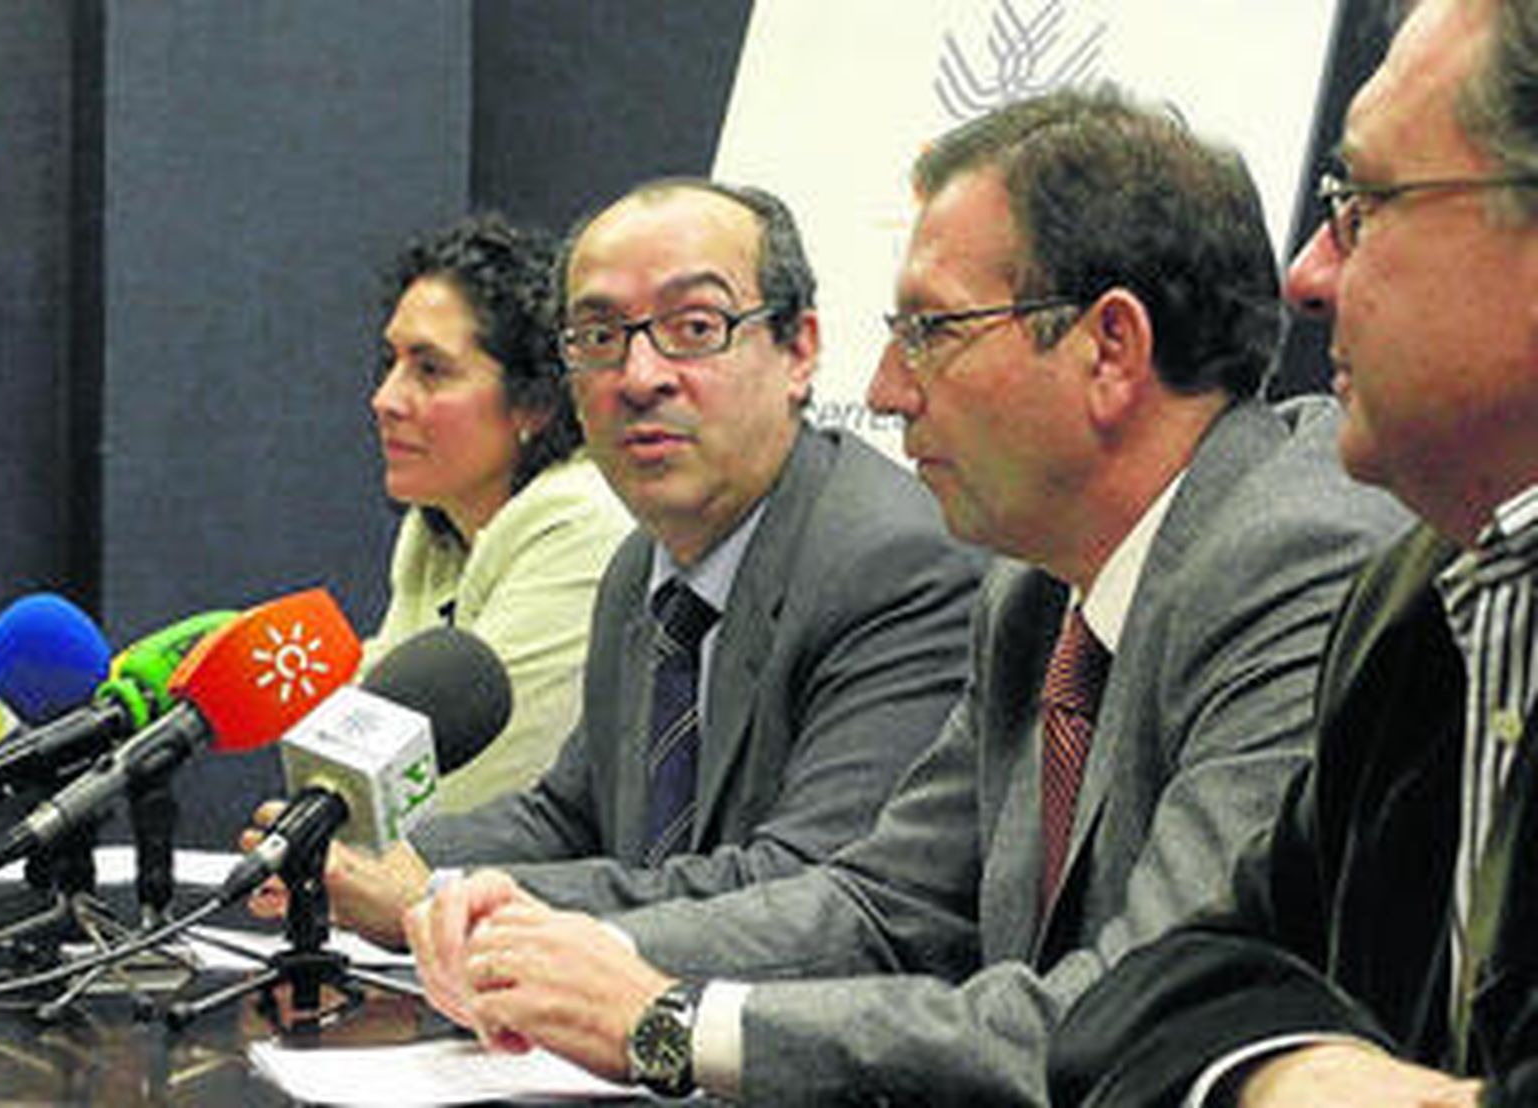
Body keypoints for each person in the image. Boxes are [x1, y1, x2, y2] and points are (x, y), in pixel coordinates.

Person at [401, 88, 1410, 1104]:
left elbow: (1141, 1017)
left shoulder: (1290, 558)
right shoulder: (1030, 588)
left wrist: (672, 1023)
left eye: (931, 330)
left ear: (1110, 348)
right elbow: (885, 906)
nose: (884, 388)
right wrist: (566, 951)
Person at [248, 179, 984, 947]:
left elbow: (805, 888)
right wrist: (353, 857)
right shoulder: (643, 565)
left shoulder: (893, 567)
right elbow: (571, 816)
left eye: (695, 327)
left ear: (799, 350)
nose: (639, 377)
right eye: (598, 337)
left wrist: (436, 896)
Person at [1048, 2, 1538, 1105]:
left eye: (1363, 207)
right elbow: (1152, 991)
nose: (1307, 277)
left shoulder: (1302, 554)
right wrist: (1280, 1074)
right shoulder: (1411, 602)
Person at [365, 212, 633, 813]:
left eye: (429, 370)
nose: (385, 400)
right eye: (392, 364)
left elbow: (457, 790)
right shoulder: (433, 530)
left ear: (533, 403)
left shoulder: (582, 520)